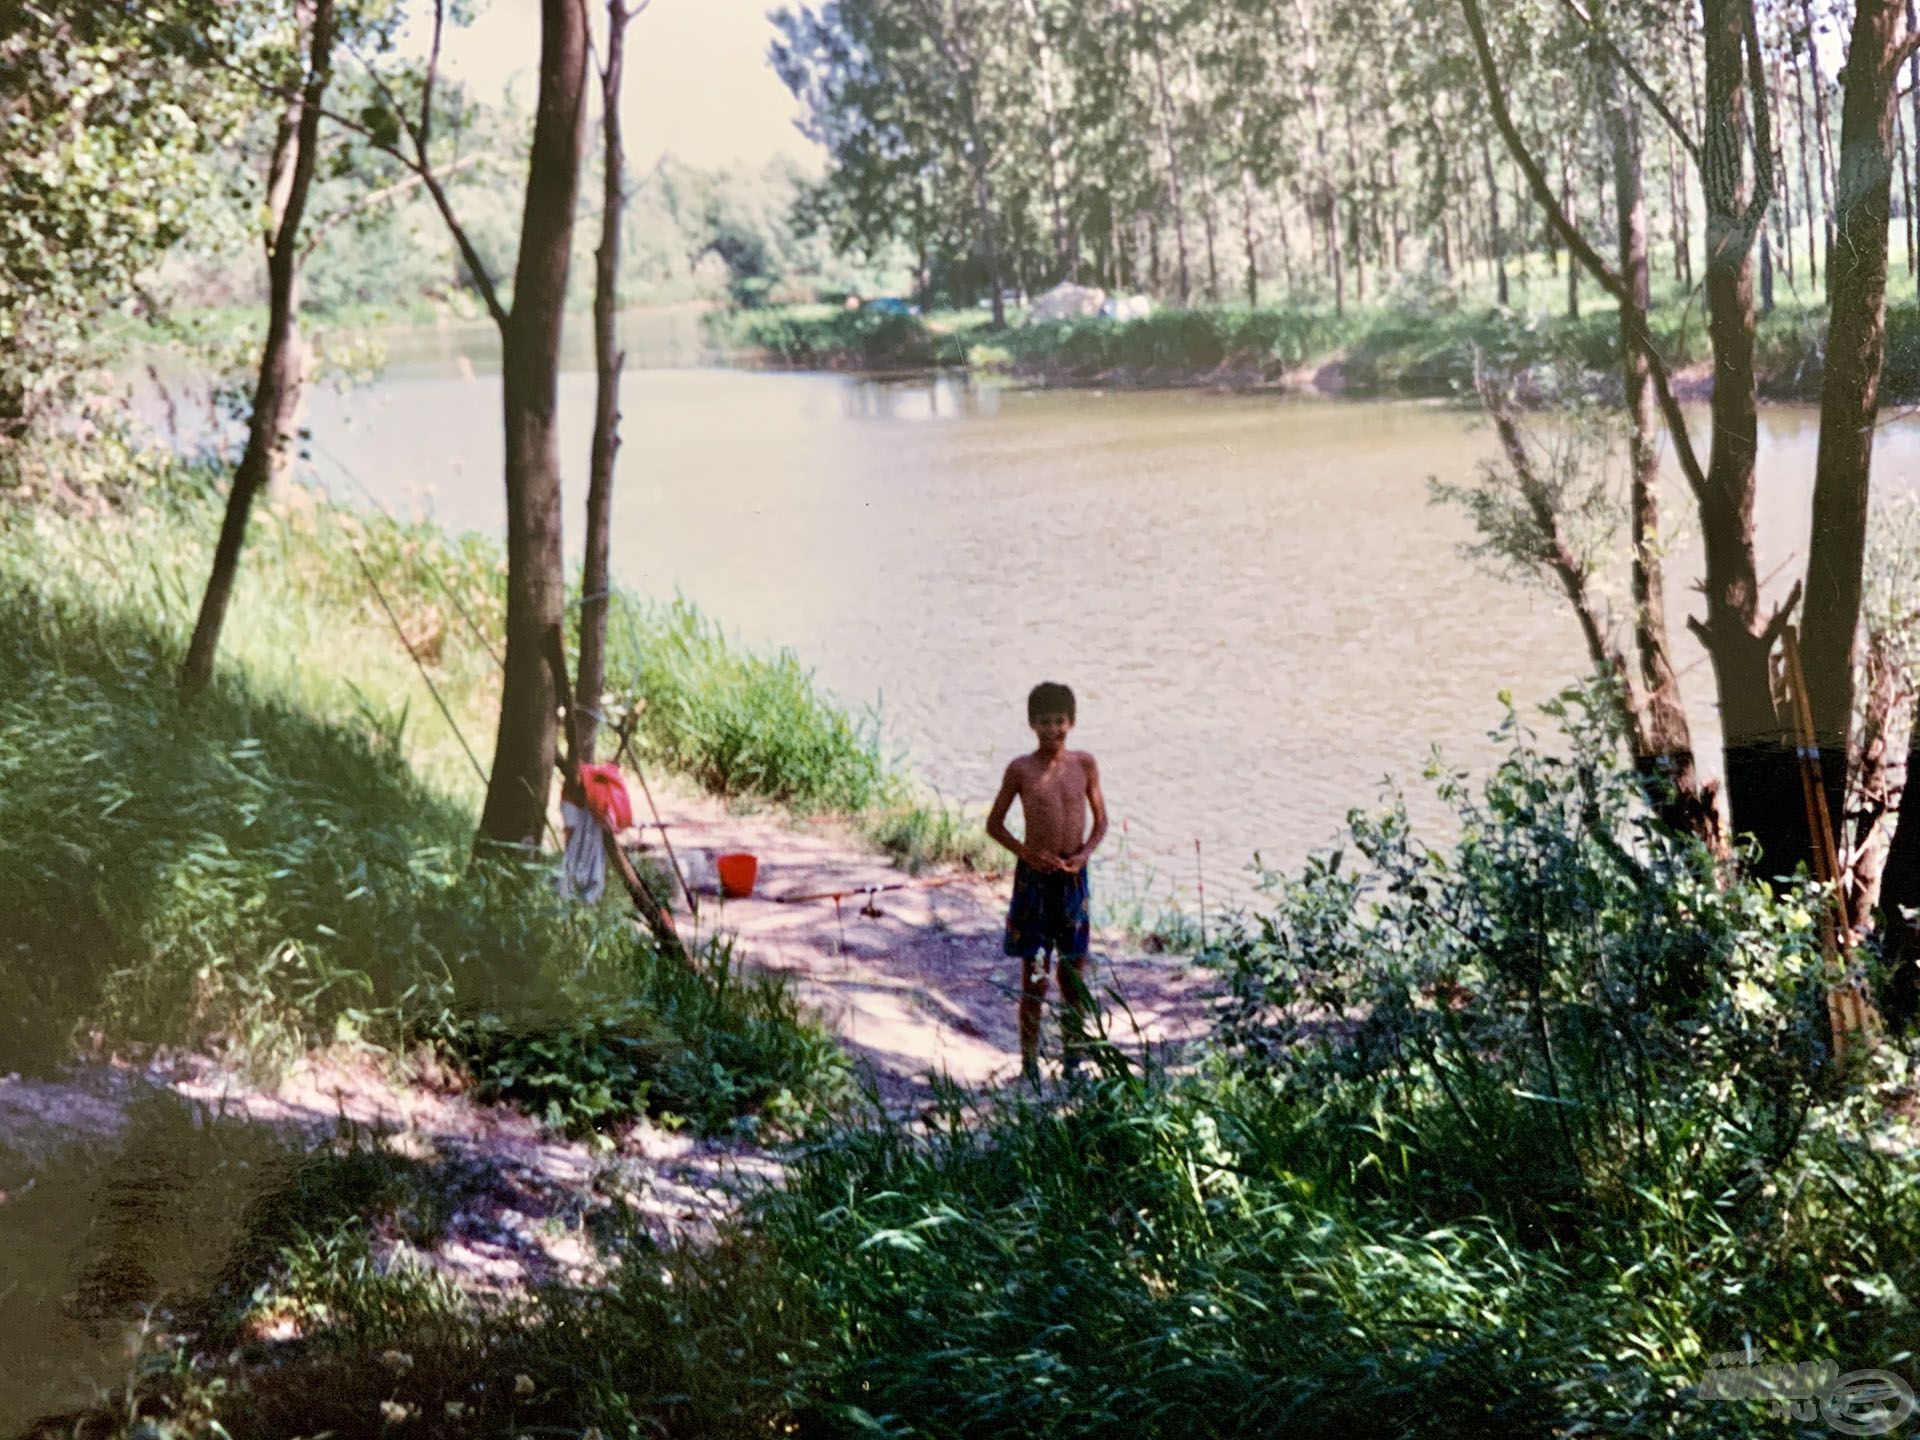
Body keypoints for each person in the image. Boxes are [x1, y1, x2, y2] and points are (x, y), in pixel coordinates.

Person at [985, 681, 1109, 1081]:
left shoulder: (1085, 764)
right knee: (1034, 976)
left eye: (1059, 721)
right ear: (1031, 723)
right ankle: (1029, 1063)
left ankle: (1074, 1059)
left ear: (1071, 722)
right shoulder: (1020, 769)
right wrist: (1026, 854)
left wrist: (1084, 855)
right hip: (1034, 884)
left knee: (1073, 974)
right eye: (1044, 722)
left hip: (1073, 881)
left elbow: (1101, 821)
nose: (1052, 729)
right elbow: (994, 824)